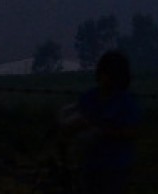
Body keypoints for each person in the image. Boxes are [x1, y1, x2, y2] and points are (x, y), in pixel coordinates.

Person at [58, 50, 140, 194]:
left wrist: (100, 130)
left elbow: (131, 131)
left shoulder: (126, 102)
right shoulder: (88, 98)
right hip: (90, 165)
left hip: (115, 167)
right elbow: (71, 126)